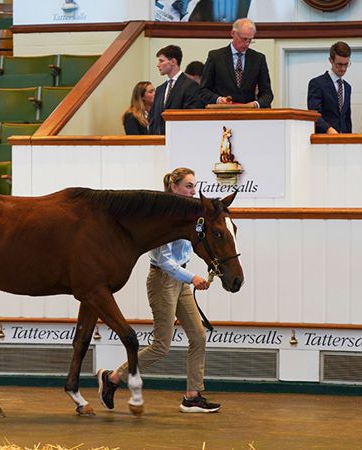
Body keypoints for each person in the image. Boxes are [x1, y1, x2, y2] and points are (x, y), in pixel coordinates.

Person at [97, 167, 221, 414]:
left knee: (198, 335)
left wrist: (196, 274)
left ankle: (192, 395)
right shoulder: (161, 217)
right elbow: (164, 260)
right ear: (173, 188)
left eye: (194, 185)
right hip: (163, 281)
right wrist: (192, 277)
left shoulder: (189, 215)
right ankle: (113, 378)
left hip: (181, 281)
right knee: (161, 346)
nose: (193, 190)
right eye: (188, 185)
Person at [200, 18, 273, 108]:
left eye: (250, 40)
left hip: (249, 114)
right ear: (233, 33)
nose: (246, 43)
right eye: (244, 39)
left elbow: (267, 94)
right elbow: (203, 90)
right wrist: (218, 99)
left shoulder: (258, 59)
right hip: (222, 113)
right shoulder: (215, 57)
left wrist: (255, 104)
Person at [150, 45, 203, 135]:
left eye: (161, 61)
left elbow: (191, 116)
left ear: (173, 61)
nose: (158, 65)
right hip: (159, 141)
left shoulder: (191, 86)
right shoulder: (160, 89)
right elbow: (153, 119)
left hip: (181, 138)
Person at [307, 41, 352, 134]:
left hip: (344, 140)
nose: (343, 69)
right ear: (331, 60)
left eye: (346, 64)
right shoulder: (317, 83)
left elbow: (347, 118)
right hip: (324, 139)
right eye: (339, 64)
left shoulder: (347, 87)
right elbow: (314, 115)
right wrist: (328, 129)